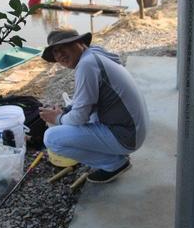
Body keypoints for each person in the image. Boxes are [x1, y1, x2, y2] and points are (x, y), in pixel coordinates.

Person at [39, 29, 149, 184]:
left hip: (127, 136)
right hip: (134, 129)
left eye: (64, 46)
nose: (60, 55)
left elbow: (79, 117)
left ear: (80, 43)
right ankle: (114, 156)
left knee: (51, 138)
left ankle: (114, 164)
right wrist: (64, 113)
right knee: (73, 109)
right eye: (55, 52)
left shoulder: (86, 65)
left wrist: (57, 118)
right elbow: (84, 103)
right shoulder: (94, 53)